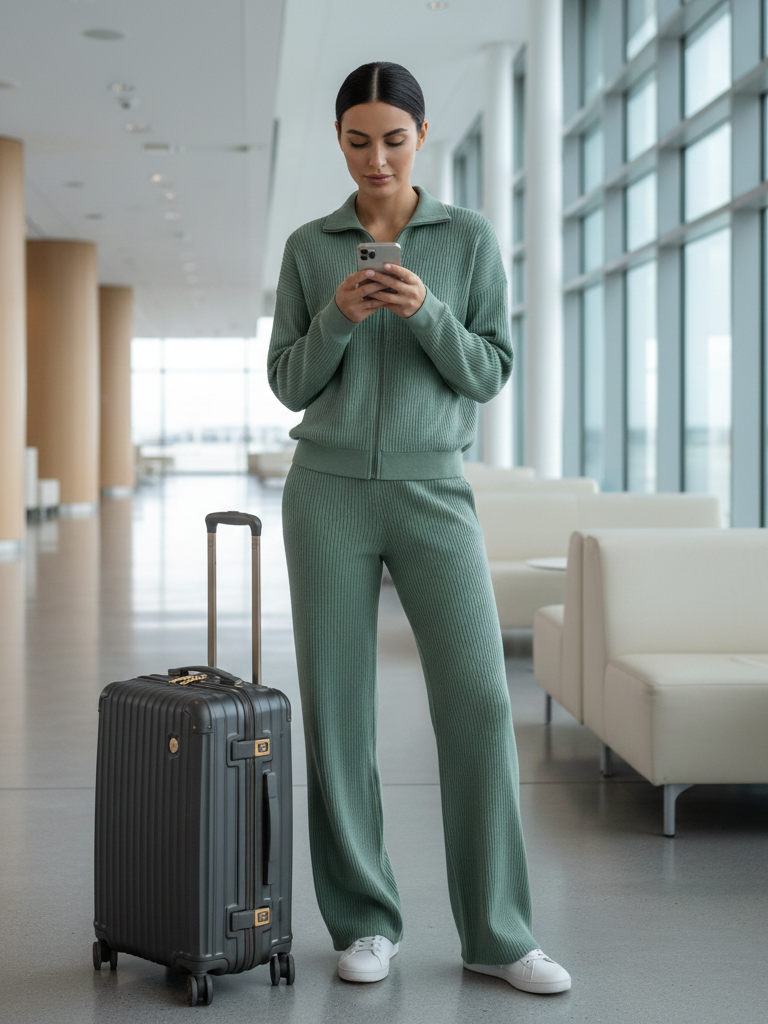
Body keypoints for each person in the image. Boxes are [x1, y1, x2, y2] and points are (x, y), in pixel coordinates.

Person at [267, 61, 571, 996]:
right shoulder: (312, 246)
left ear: (421, 138)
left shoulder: (468, 238)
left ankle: (499, 933)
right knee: (339, 712)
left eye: (393, 139)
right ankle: (363, 922)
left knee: (480, 705)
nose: (375, 158)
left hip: (433, 492)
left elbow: (488, 371)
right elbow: (287, 379)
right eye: (357, 140)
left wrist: (426, 310)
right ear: (340, 142)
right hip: (325, 494)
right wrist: (338, 321)